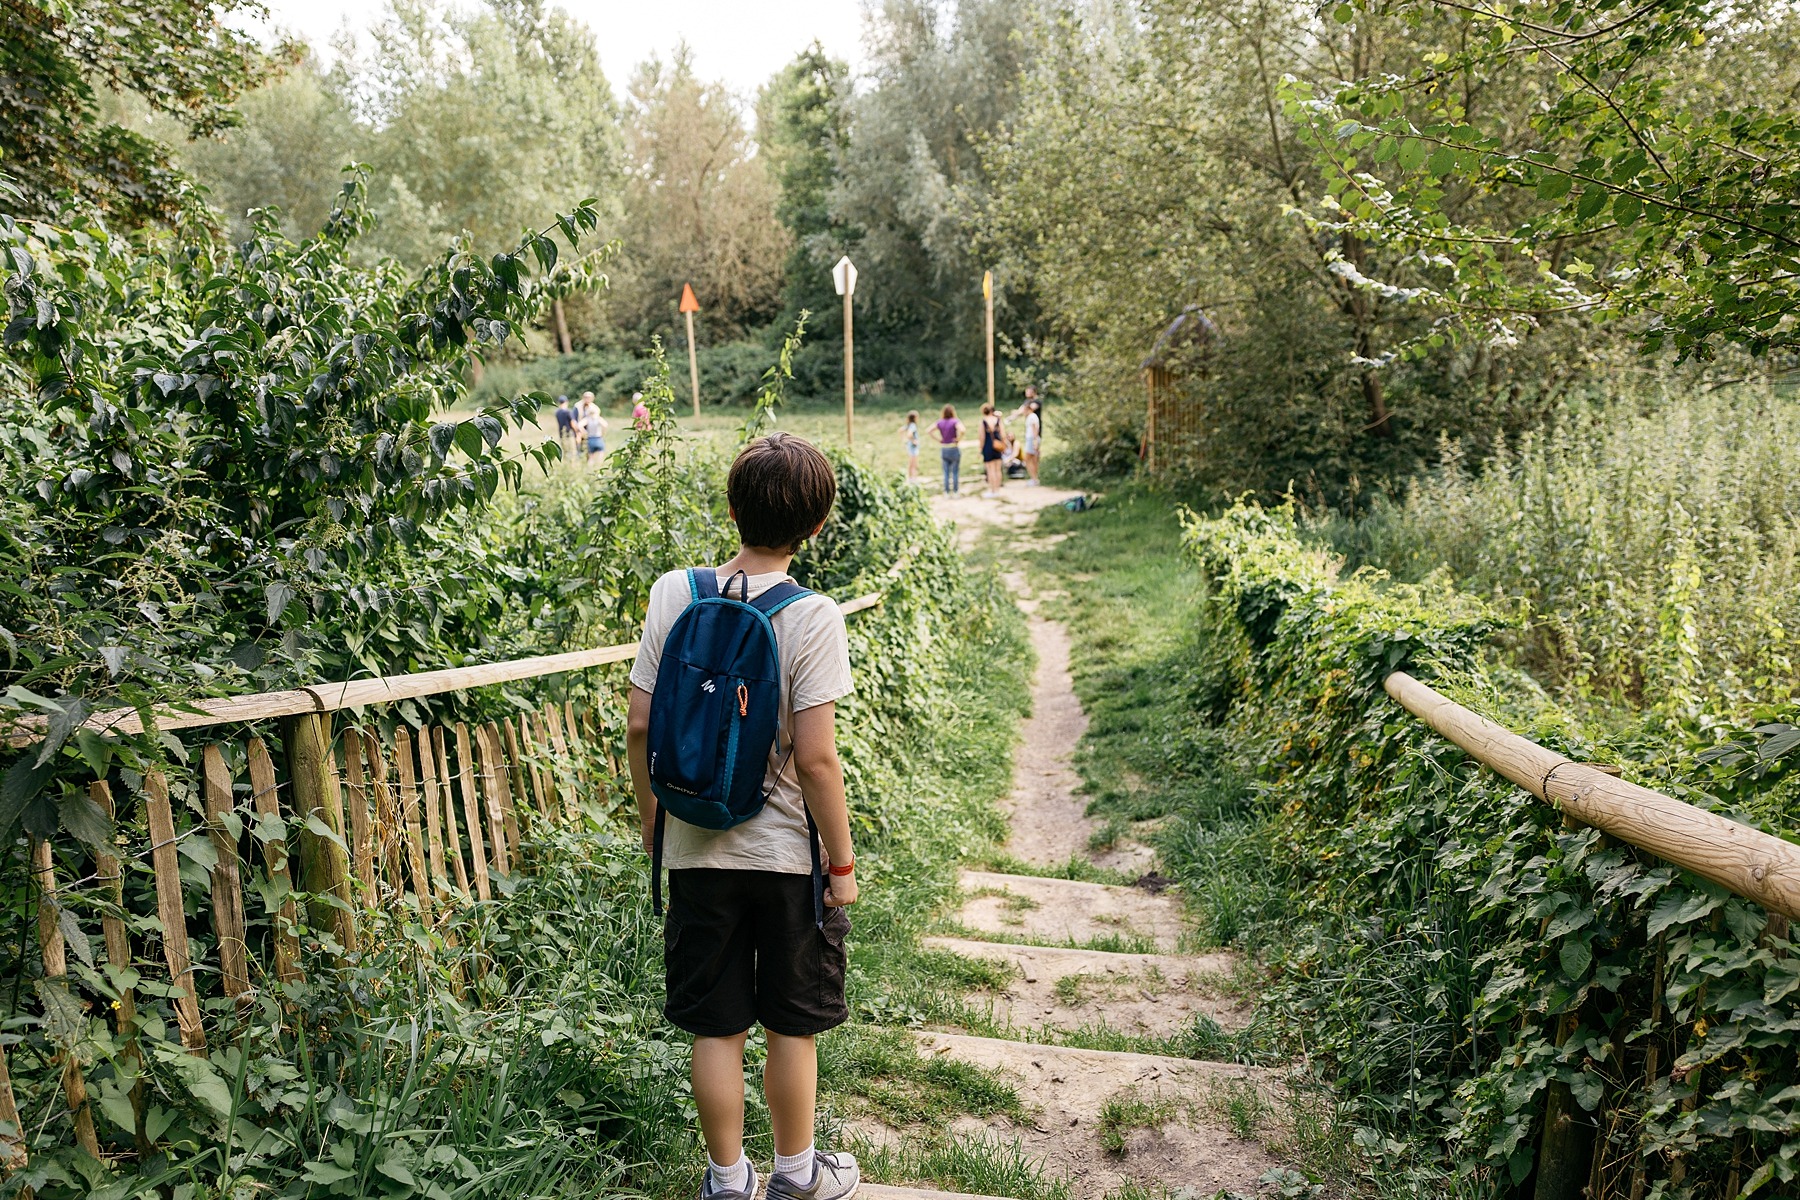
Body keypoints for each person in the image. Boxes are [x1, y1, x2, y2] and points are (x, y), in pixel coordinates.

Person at [626, 433, 861, 1200]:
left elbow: (637, 725)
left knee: (715, 1026)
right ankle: (797, 1175)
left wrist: (653, 824)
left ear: (730, 510)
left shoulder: (674, 591)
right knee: (791, 1024)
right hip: (787, 856)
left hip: (695, 850)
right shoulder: (814, 615)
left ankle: (727, 1182)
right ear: (817, 526)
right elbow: (819, 760)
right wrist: (843, 866)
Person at [978, 402, 1006, 498]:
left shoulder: (984, 421)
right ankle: (997, 490)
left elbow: (981, 437)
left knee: (990, 470)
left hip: (988, 446)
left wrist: (980, 449)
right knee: (998, 470)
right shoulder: (998, 420)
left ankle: (992, 490)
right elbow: (1003, 434)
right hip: (997, 446)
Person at [935, 404, 964, 495]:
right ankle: (955, 491)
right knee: (955, 471)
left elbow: (928, 430)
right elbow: (963, 430)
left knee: (946, 472)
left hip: (944, 448)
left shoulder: (940, 422)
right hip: (954, 448)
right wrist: (958, 439)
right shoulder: (955, 421)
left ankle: (946, 492)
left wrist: (938, 439)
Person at [579, 392, 607, 464]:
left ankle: (589, 470)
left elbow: (579, 425)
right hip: (598, 438)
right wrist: (603, 433)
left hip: (591, 439)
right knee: (600, 457)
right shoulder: (598, 418)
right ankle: (599, 468)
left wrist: (584, 432)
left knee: (591, 458)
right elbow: (605, 425)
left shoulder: (588, 419)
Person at [1021, 398, 1042, 486]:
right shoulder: (1032, 416)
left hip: (1031, 439)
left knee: (1027, 459)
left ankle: (1034, 479)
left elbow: (1035, 430)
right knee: (1033, 460)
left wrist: (1035, 441)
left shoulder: (1031, 417)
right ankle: (1035, 478)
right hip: (1032, 439)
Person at [899, 410, 921, 482]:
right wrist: (913, 440)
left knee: (911, 463)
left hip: (909, 446)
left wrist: (903, 440)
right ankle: (913, 479)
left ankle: (910, 478)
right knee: (913, 464)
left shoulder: (908, 425)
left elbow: (900, 430)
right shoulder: (913, 425)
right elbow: (909, 434)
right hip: (913, 447)